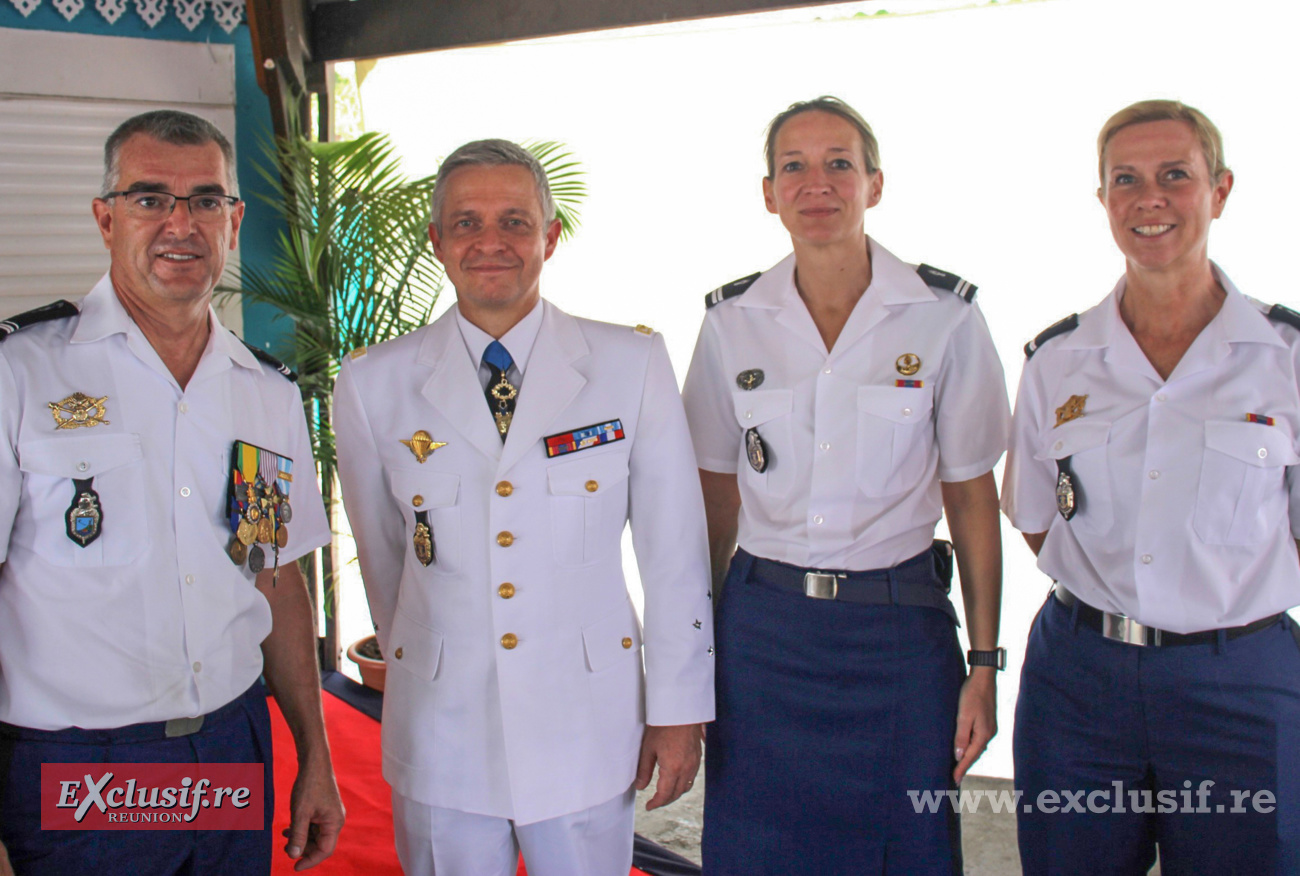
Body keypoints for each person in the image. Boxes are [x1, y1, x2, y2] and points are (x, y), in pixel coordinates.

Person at [332, 138, 714, 876]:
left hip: (585, 718)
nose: (491, 241)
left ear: (550, 236)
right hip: (443, 721)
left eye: (514, 220)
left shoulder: (628, 363)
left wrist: (678, 710)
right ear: (437, 241)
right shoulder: (374, 382)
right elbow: (387, 560)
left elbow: (673, 553)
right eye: (467, 222)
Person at [0, 110, 344, 876]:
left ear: (234, 219)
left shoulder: (264, 393)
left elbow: (273, 575)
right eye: (150, 198)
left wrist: (313, 753)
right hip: (79, 767)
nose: (179, 224)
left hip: (228, 745)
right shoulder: (22, 375)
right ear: (105, 217)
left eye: (206, 201)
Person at [682, 96, 1009, 874]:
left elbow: (972, 500)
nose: (816, 183)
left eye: (839, 164)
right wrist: (696, 647)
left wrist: (987, 664)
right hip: (763, 634)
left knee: (910, 847)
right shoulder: (732, 323)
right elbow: (713, 499)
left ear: (875, 184)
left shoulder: (944, 319)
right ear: (769, 192)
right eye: (793, 166)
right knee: (758, 846)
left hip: (897, 633)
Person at [1003, 98, 1300, 874]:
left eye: (1176, 175)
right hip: (1081, 682)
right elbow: (1036, 518)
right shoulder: (1057, 361)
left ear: (1220, 190)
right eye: (1125, 180)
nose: (1150, 198)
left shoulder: (1285, 358)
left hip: (1241, 681)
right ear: (1103, 200)